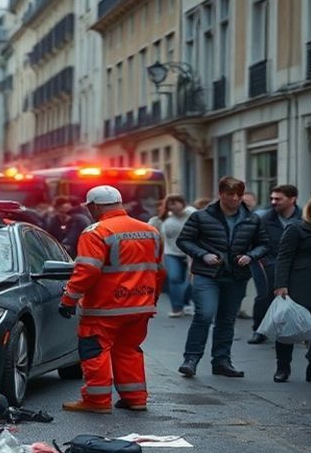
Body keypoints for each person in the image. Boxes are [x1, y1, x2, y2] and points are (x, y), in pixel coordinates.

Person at [59, 185, 165, 414]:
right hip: (141, 305)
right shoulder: (150, 231)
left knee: (94, 350)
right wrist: (151, 299)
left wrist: (69, 299)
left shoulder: (96, 232)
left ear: (94, 206)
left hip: (105, 308)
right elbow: (159, 271)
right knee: (128, 350)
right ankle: (135, 398)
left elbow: (85, 272)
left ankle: (96, 401)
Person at [176, 177, 269, 378]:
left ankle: (221, 361)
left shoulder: (252, 219)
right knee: (205, 314)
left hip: (236, 275)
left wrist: (250, 256)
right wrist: (203, 255)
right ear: (221, 194)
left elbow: (264, 244)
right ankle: (191, 359)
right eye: (230, 194)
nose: (235, 199)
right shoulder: (201, 217)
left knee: (227, 320)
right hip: (206, 274)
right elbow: (184, 241)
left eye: (238, 195)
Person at [272, 193, 311, 384]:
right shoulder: (297, 229)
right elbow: (284, 257)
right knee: (289, 329)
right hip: (299, 285)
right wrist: (280, 284)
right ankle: (283, 366)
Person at [248, 185, 301, 345]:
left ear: (292, 199)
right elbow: (253, 243)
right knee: (264, 296)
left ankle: (293, 329)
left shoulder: (304, 218)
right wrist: (264, 260)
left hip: (295, 264)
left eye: (278, 199)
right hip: (265, 263)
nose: (273, 202)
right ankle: (259, 330)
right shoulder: (263, 219)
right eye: (272, 198)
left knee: (295, 297)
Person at [150, 194, 195, 317]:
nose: (173, 206)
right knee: (174, 278)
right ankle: (177, 308)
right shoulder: (165, 219)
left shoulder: (191, 214)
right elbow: (155, 230)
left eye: (176, 203)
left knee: (190, 280)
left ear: (182, 203)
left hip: (190, 252)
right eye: (170, 204)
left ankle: (186, 302)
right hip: (172, 253)